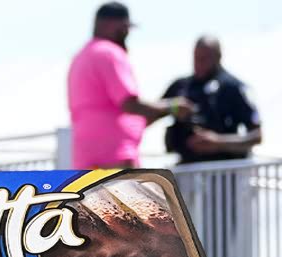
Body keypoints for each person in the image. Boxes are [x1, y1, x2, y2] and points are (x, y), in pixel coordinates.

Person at [67, 2, 194, 168]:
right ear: (106, 24)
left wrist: (159, 112)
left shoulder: (81, 57)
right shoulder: (109, 52)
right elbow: (129, 104)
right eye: (124, 27)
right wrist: (173, 107)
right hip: (116, 157)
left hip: (85, 160)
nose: (127, 33)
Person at [162, 36, 262, 164]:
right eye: (196, 58)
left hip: (224, 173)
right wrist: (174, 107)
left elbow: (257, 136)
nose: (199, 63)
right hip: (187, 171)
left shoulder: (234, 88)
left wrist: (218, 142)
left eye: (204, 58)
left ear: (218, 57)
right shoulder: (181, 86)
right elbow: (150, 114)